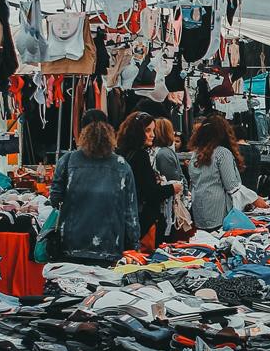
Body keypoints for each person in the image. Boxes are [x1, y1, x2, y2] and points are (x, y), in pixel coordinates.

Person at [49, 110, 139, 265]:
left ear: (82, 132)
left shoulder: (68, 161)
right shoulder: (121, 165)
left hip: (72, 243)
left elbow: (55, 199)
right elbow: (130, 212)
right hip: (110, 244)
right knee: (106, 289)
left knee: (69, 287)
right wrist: (134, 244)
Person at [117, 111, 180, 249]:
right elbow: (151, 193)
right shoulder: (140, 156)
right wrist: (172, 188)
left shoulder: (120, 152)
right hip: (143, 220)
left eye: (153, 130)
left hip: (122, 219)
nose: (153, 135)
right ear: (137, 132)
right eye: (148, 130)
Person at [187, 115, 244, 231]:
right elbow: (231, 185)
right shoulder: (222, 153)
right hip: (219, 212)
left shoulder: (196, 154)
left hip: (199, 208)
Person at [150, 117, 187, 240]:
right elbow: (175, 180)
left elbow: (171, 181)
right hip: (165, 209)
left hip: (163, 209)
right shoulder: (164, 153)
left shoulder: (159, 152)